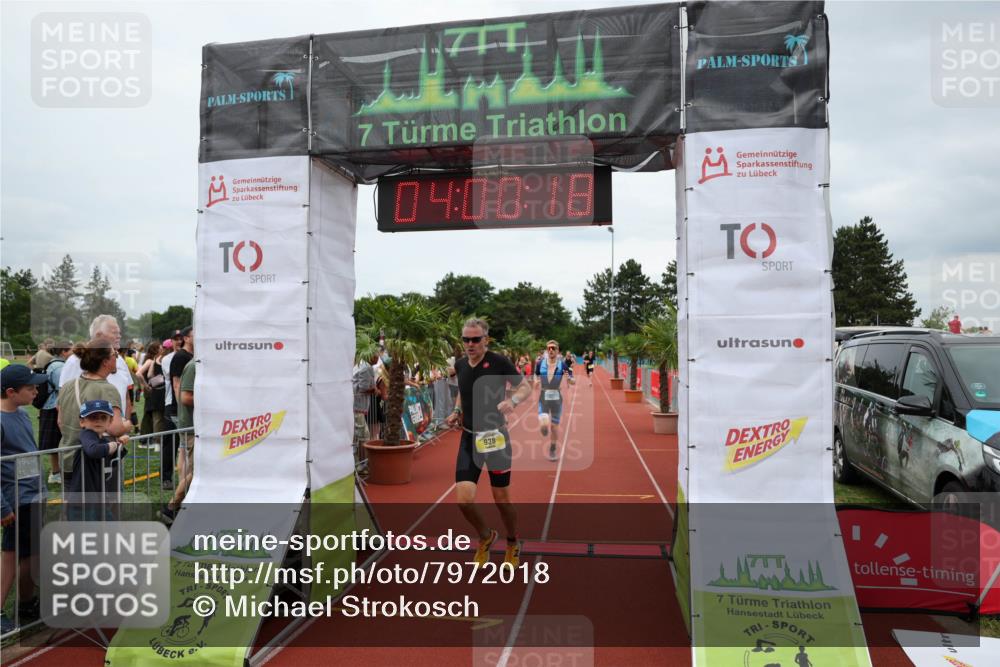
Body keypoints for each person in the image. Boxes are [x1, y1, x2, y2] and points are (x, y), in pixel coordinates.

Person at [445, 318, 532, 569]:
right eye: (466, 339)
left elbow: (525, 387)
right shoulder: (460, 364)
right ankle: (486, 536)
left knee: (501, 499)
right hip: (469, 437)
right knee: (463, 499)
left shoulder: (498, 362)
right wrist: (456, 410)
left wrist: (512, 402)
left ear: (486, 339)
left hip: (495, 438)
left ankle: (513, 542)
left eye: (475, 339)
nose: (470, 344)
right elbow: (463, 389)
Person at [1, 364, 47, 634]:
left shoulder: (22, 415)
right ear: (10, 391)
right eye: (30, 388)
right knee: (12, 555)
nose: (36, 391)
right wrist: (2, 506)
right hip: (14, 501)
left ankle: (27, 602)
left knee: (31, 553)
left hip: (32, 495)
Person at [56, 341, 131, 483]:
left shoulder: (67, 386)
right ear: (105, 362)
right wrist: (128, 424)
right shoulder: (107, 389)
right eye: (114, 354)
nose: (117, 356)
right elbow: (115, 429)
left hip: (67, 459)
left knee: (72, 504)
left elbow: (60, 422)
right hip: (96, 464)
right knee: (104, 504)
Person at [59, 315, 132, 421]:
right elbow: (62, 403)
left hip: (117, 432)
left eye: (119, 333)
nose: (119, 336)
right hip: (87, 434)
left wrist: (124, 427)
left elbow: (127, 398)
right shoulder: (75, 361)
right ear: (98, 335)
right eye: (115, 333)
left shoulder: (119, 360)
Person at [66, 400, 128, 506]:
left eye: (103, 417)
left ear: (110, 421)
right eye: (93, 417)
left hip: (96, 493)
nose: (98, 421)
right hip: (83, 497)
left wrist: (119, 446)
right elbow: (93, 451)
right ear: (82, 422)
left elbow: (112, 461)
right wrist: (111, 446)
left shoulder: (102, 439)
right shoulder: (87, 434)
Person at [162, 356, 195, 524]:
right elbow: (185, 396)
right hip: (192, 426)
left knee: (191, 469)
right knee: (196, 471)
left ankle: (180, 507)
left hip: (196, 426)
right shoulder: (193, 366)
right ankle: (171, 508)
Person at [534, 340, 575, 462]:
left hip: (557, 398)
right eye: (549, 348)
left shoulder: (562, 365)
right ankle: (544, 428)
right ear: (547, 350)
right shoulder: (540, 363)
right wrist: (536, 380)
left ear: (557, 351)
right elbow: (535, 374)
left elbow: (572, 379)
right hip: (544, 397)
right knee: (544, 425)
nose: (551, 350)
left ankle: (552, 449)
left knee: (554, 427)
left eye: (553, 348)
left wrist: (570, 380)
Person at [38, 342, 72, 484]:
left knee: (57, 441)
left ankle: (57, 472)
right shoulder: (59, 366)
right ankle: (56, 473)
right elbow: (63, 389)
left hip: (53, 407)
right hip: (54, 407)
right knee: (54, 443)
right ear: (64, 352)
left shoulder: (56, 364)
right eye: (71, 350)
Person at [352, 353, 378, 469]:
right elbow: (363, 388)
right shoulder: (366, 367)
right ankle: (364, 464)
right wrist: (375, 390)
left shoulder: (363, 365)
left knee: (358, 436)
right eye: (376, 356)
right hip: (357, 406)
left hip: (357, 405)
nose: (378, 358)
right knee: (363, 435)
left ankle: (358, 464)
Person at [137, 342, 168, 436]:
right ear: (156, 350)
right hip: (151, 390)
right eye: (160, 348)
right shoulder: (150, 361)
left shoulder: (154, 360)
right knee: (149, 414)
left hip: (151, 389)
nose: (162, 349)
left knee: (150, 413)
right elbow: (138, 373)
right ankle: (146, 437)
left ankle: (147, 437)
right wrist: (146, 386)